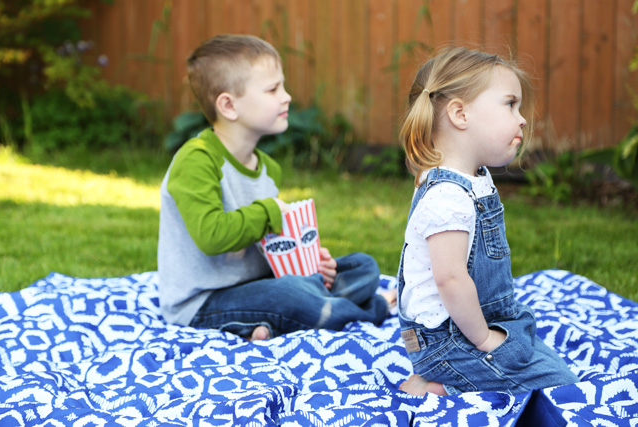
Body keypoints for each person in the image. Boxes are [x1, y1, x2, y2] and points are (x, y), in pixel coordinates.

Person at [158, 34, 396, 342]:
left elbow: (265, 242)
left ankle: (269, 323)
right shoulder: (197, 160)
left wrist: (309, 260)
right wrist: (270, 211)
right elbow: (211, 235)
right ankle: (372, 309)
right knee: (295, 294)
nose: (287, 97)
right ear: (229, 105)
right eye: (273, 89)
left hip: (259, 285)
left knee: (363, 267)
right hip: (203, 302)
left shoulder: (268, 169)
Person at [395, 46, 579, 395]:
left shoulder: (471, 177)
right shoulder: (447, 196)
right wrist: (483, 339)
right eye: (510, 104)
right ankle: (438, 384)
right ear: (460, 114)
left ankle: (451, 376)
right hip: (448, 339)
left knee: (528, 340)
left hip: (471, 321)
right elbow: (450, 279)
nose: (522, 118)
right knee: (559, 385)